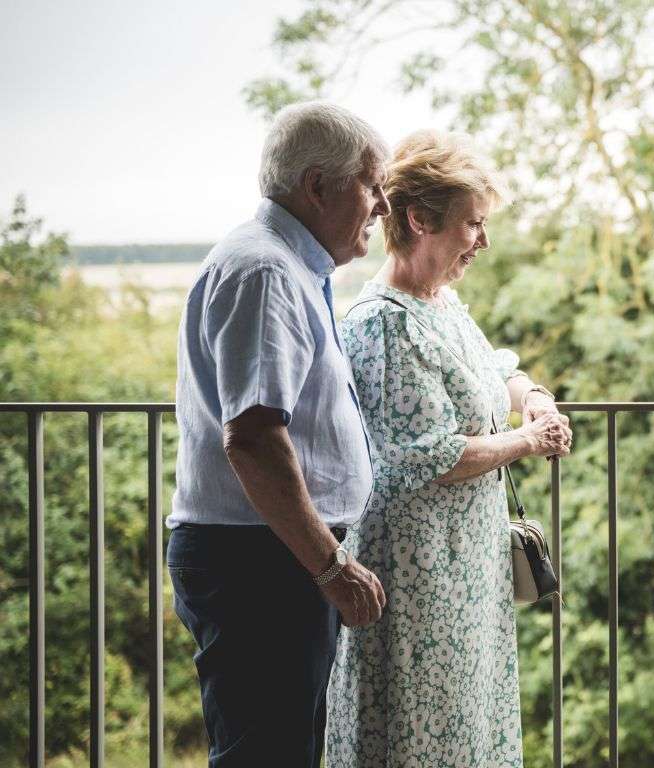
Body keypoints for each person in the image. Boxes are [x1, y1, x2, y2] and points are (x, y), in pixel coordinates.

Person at [326, 129, 572, 767]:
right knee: (421, 729)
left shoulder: (441, 303)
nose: (483, 241)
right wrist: (528, 439)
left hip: (467, 565)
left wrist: (532, 394)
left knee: (467, 725)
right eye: (473, 224)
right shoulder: (382, 324)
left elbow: (492, 370)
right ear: (418, 220)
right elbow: (426, 455)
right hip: (418, 570)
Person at [166, 101, 391, 767]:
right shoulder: (266, 271)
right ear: (317, 186)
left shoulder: (288, 268)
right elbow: (255, 437)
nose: (381, 206)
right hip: (261, 562)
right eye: (371, 185)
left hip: (271, 554)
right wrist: (330, 564)